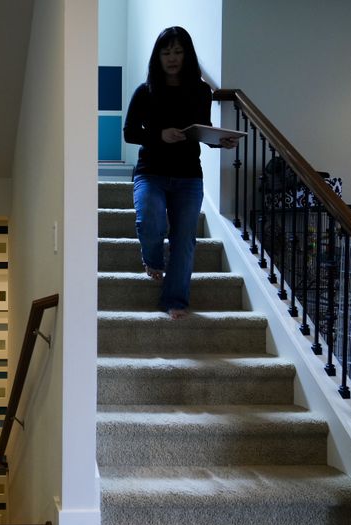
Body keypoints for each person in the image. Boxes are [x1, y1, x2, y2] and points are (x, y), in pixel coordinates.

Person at [123, 26, 237, 320]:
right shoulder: (145, 91)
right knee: (149, 218)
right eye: (166, 52)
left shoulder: (200, 91)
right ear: (157, 57)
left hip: (188, 176)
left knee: (184, 238)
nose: (172, 58)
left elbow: (201, 129)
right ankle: (152, 259)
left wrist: (218, 142)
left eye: (178, 51)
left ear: (187, 55)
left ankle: (174, 299)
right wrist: (160, 136)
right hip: (151, 172)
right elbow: (130, 133)